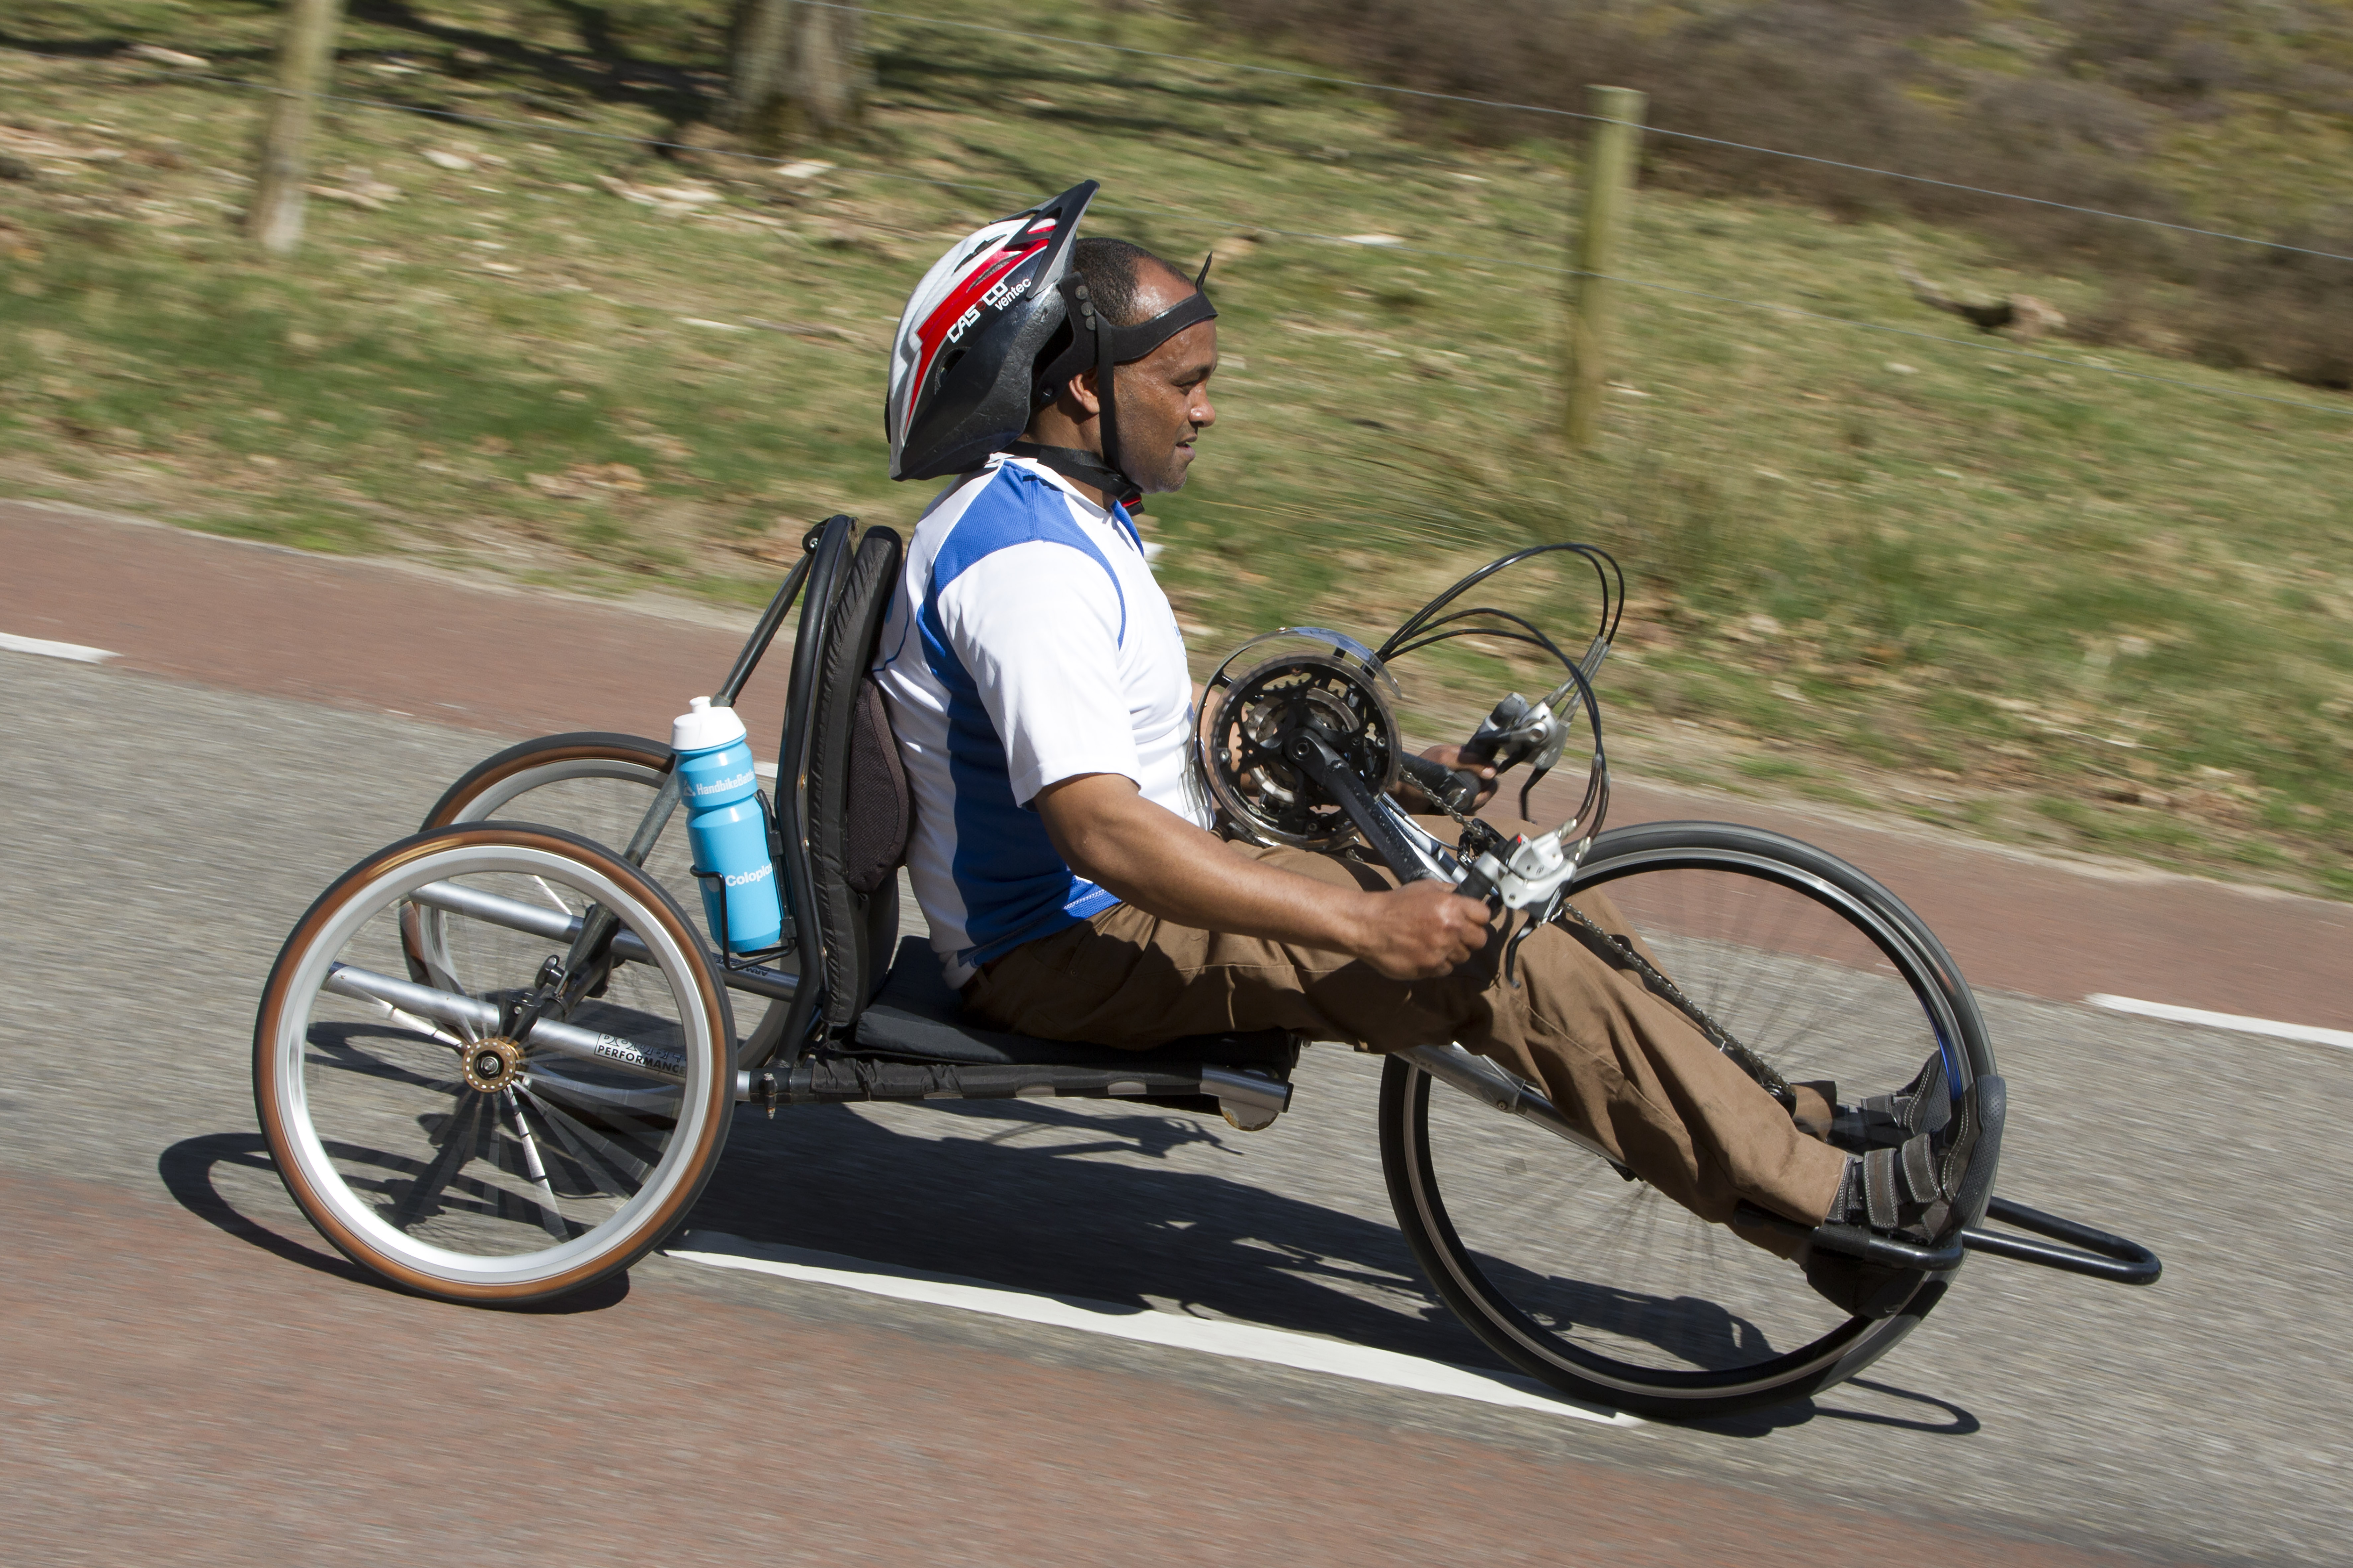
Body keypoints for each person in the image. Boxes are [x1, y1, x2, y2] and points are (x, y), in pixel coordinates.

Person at [872, 181, 1980, 1315]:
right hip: (1068, 953)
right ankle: (1834, 1211)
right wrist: (1363, 920)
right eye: (1186, 384)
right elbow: (1099, 827)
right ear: (1080, 387)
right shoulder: (1028, 565)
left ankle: (1792, 1118)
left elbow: (1149, 737)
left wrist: (1401, 773)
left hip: (1118, 909)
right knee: (1486, 954)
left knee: (1512, 885)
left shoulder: (1067, 523)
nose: (1207, 413)